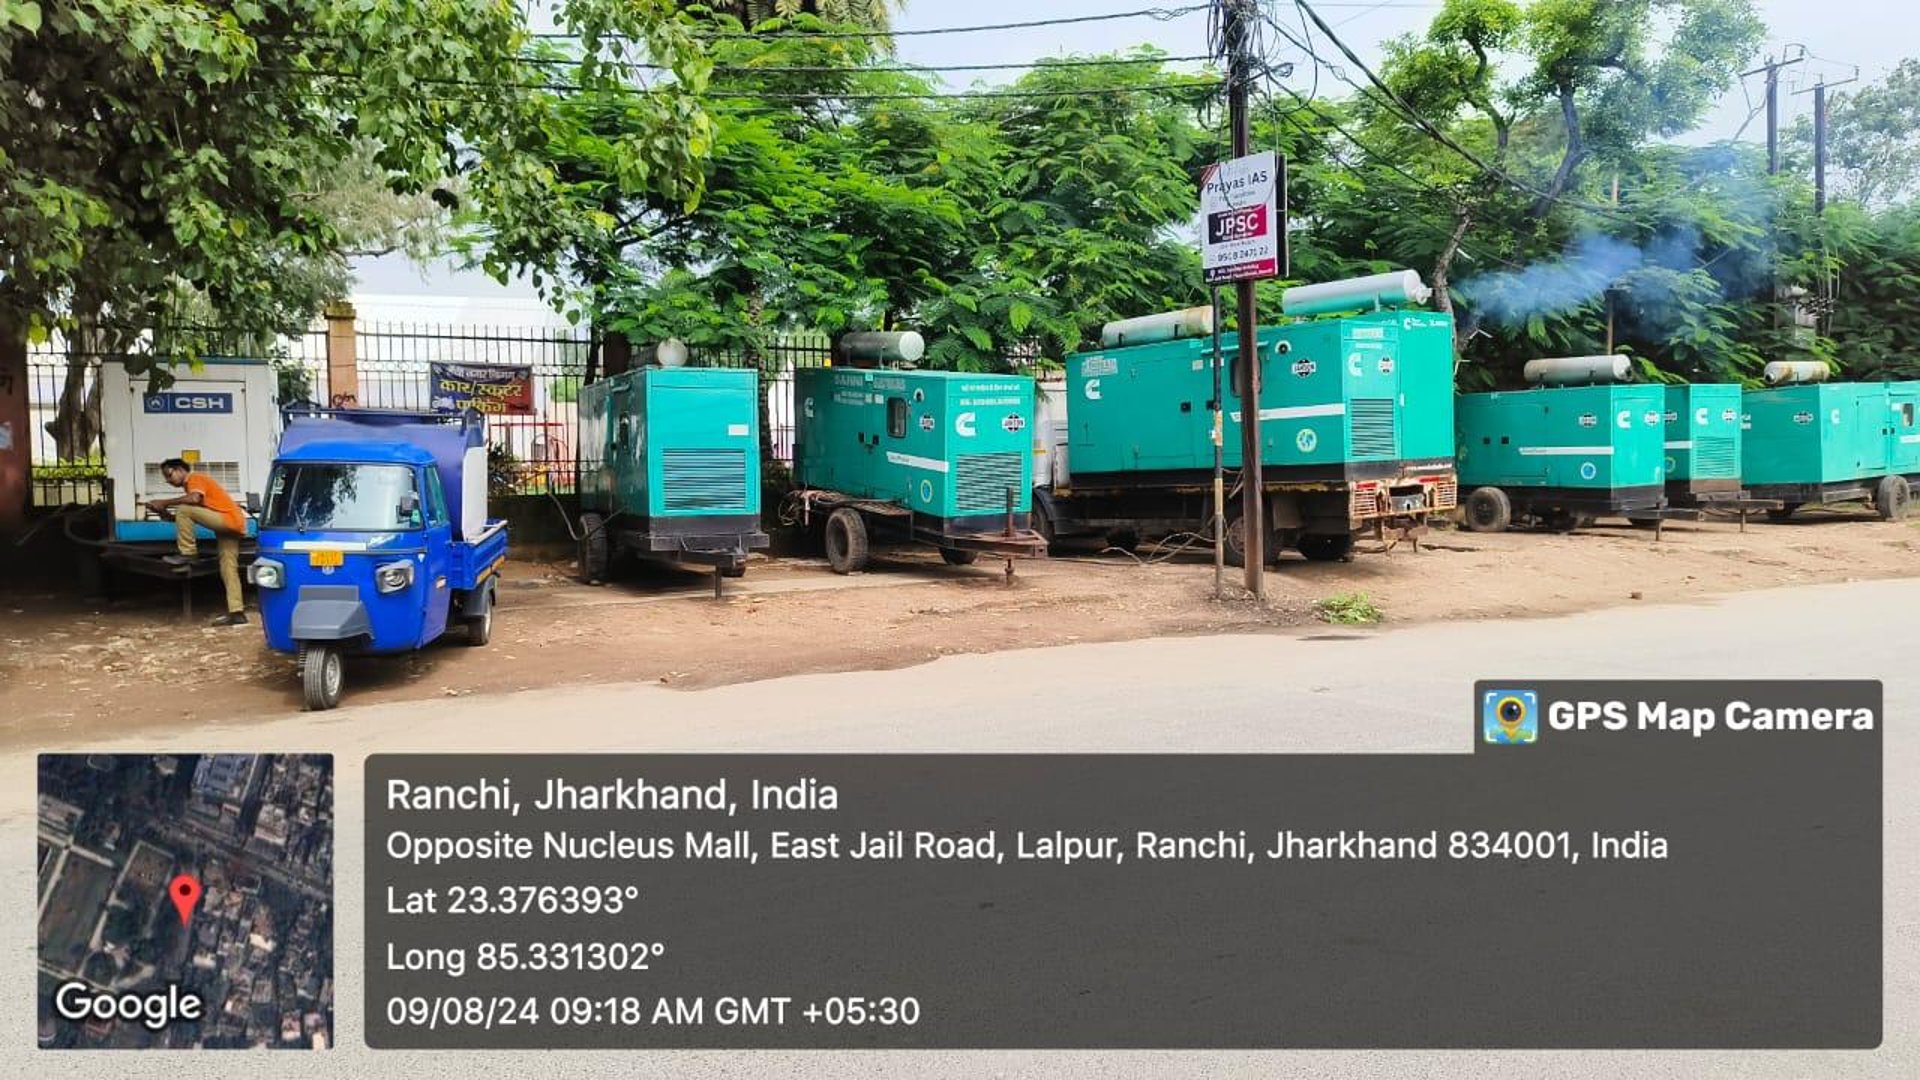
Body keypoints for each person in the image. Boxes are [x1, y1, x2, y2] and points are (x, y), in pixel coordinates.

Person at [147, 458, 248, 626]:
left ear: (180, 469)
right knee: (228, 568)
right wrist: (165, 514)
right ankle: (237, 612)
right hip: (232, 524)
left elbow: (192, 501)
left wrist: (164, 502)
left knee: (184, 509)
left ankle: (188, 553)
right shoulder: (192, 489)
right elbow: (188, 517)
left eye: (169, 475)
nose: (168, 481)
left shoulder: (195, 478)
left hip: (228, 520)